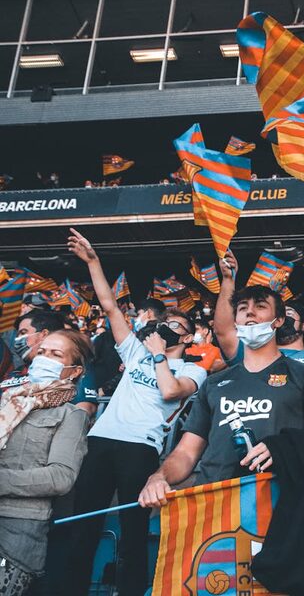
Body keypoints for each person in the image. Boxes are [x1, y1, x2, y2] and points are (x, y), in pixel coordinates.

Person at [64, 229, 207, 596]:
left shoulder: (192, 370)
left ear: (188, 338)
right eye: (165, 323)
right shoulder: (134, 352)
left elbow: (171, 391)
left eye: (177, 326)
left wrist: (160, 354)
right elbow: (111, 306)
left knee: (133, 530)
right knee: (85, 527)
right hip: (101, 442)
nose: (167, 328)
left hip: (140, 449)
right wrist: (94, 262)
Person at [139, 278, 304, 506]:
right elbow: (187, 453)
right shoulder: (214, 383)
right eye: (243, 309)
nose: (250, 313)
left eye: (260, 307)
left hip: (279, 506)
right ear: (235, 321)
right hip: (215, 506)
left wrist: (284, 449)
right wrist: (158, 477)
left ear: (278, 321)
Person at [213, 253, 304, 436]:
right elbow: (223, 330)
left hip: (300, 452)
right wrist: (228, 280)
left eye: (291, 313)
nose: (285, 318)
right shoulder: (250, 356)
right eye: (281, 314)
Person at [0, 330, 91, 595]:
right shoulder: (9, 401)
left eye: (55, 354)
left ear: (73, 371)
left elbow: (60, 477)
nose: (44, 358)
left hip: (16, 532)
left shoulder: (70, 415)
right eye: (41, 352)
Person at [4, 310, 98, 417]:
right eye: (41, 353)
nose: (17, 340)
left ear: (44, 334)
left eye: (23, 333)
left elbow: (84, 409)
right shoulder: (15, 372)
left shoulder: (71, 370)